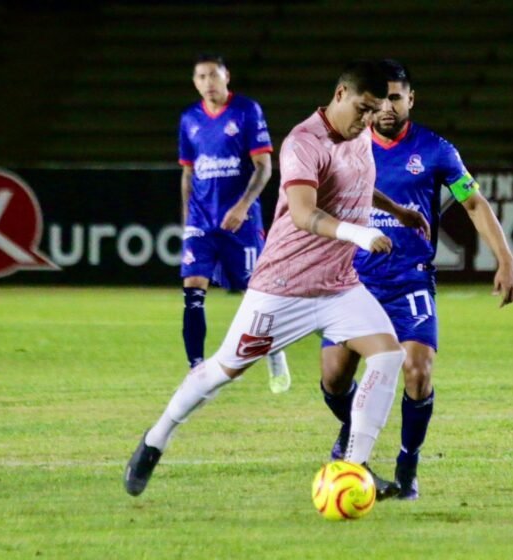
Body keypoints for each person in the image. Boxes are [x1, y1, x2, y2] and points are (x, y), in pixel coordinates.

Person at [125, 60, 431, 499]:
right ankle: (154, 441)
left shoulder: (358, 134)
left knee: (387, 356)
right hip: (283, 288)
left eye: (374, 112)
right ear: (340, 94)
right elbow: (305, 213)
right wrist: (357, 233)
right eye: (362, 109)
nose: (367, 121)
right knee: (219, 372)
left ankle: (353, 468)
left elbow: (357, 183)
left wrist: (398, 210)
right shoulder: (302, 143)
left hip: (340, 285)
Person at [319, 59, 513, 500]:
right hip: (352, 281)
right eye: (382, 98)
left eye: (397, 97)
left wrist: (505, 258)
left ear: (411, 99)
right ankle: (355, 427)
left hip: (409, 281)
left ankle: (407, 467)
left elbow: (472, 202)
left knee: (417, 371)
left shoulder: (435, 150)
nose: (389, 107)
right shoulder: (347, 147)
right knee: (334, 380)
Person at [178, 53, 291, 394]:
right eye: (201, 76)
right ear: (195, 82)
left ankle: (274, 352)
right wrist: (187, 220)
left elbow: (264, 167)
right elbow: (188, 172)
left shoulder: (246, 111)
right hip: (202, 220)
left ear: (227, 76)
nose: (208, 82)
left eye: (213, 74)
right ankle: (196, 371)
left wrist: (243, 206)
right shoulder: (189, 119)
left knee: (256, 295)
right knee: (193, 293)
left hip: (240, 220)